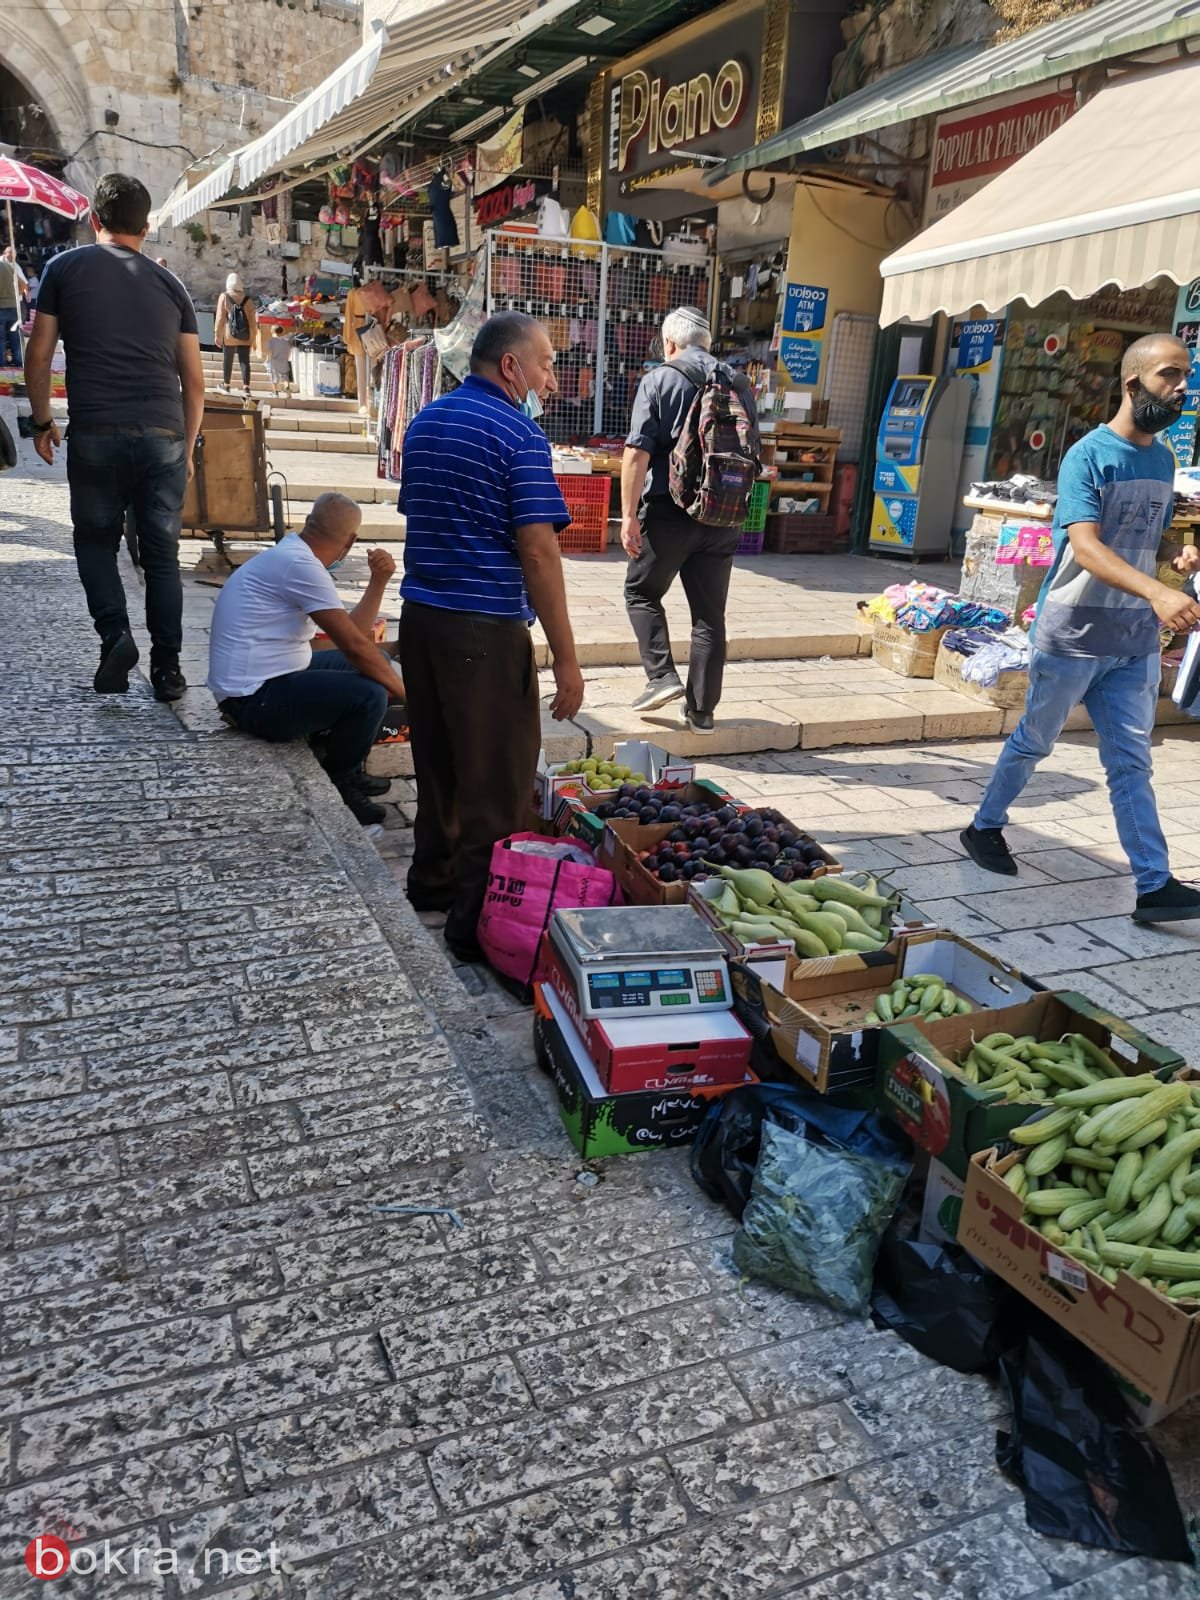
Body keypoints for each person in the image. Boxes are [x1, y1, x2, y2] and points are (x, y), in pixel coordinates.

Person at [960, 333, 1200, 924]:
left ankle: (1153, 884)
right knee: (1035, 741)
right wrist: (1157, 590)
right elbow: (1088, 547)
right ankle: (983, 827)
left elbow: (1144, 540)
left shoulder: (1164, 458)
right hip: (1071, 636)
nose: (1181, 388)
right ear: (1132, 383)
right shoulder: (1087, 456)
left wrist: (1178, 556)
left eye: (1186, 377)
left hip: (1133, 642)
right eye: (1170, 375)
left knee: (1131, 764)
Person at [398, 310, 584, 961]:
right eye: (547, 363)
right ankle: (472, 925)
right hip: (483, 629)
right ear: (511, 366)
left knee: (441, 765)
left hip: (420, 622)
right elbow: (539, 553)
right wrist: (566, 659)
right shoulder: (519, 435)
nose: (551, 378)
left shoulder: (425, 423)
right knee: (497, 785)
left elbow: (423, 517)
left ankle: (433, 881)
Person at [24, 172, 205, 702]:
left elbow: (38, 355)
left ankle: (115, 635)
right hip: (164, 435)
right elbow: (194, 382)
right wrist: (189, 448)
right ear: (147, 228)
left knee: (95, 541)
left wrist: (41, 421)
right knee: (161, 556)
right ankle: (168, 670)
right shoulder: (173, 286)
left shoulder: (63, 269)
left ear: (94, 220)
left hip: (97, 431)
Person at [207, 493, 403, 825]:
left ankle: (349, 765)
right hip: (252, 699)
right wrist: (405, 693)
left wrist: (378, 583)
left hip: (274, 675)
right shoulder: (300, 566)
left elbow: (351, 637)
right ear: (351, 539)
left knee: (377, 664)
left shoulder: (295, 556)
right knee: (369, 694)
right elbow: (354, 647)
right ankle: (340, 780)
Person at [620, 306, 760, 735]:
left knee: (641, 592)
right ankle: (702, 712)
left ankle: (661, 677)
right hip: (724, 514)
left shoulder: (660, 379)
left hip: (669, 512)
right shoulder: (739, 383)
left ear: (669, 343)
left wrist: (627, 516)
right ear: (708, 344)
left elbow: (637, 453)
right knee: (709, 614)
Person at [215, 271, 256, 394]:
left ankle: (226, 385)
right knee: (245, 361)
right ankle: (246, 387)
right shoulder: (247, 300)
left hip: (229, 335)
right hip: (245, 335)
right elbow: (252, 321)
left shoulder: (224, 296)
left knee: (228, 359)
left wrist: (217, 334)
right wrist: (254, 337)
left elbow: (220, 317)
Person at [0, 246, 27, 366]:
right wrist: (15, 295)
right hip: (13, 306)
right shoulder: (9, 267)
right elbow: (23, 285)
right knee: (15, 337)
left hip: (1, 307)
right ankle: (19, 362)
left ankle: (2, 363)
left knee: (1, 338)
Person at [266, 325, 292, 397]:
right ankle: (287, 388)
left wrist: (268, 359)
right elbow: (289, 352)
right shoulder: (286, 341)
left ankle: (275, 392)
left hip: (274, 361)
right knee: (285, 376)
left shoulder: (271, 341)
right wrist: (286, 358)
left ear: (273, 331)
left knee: (275, 377)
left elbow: (270, 352)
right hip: (284, 361)